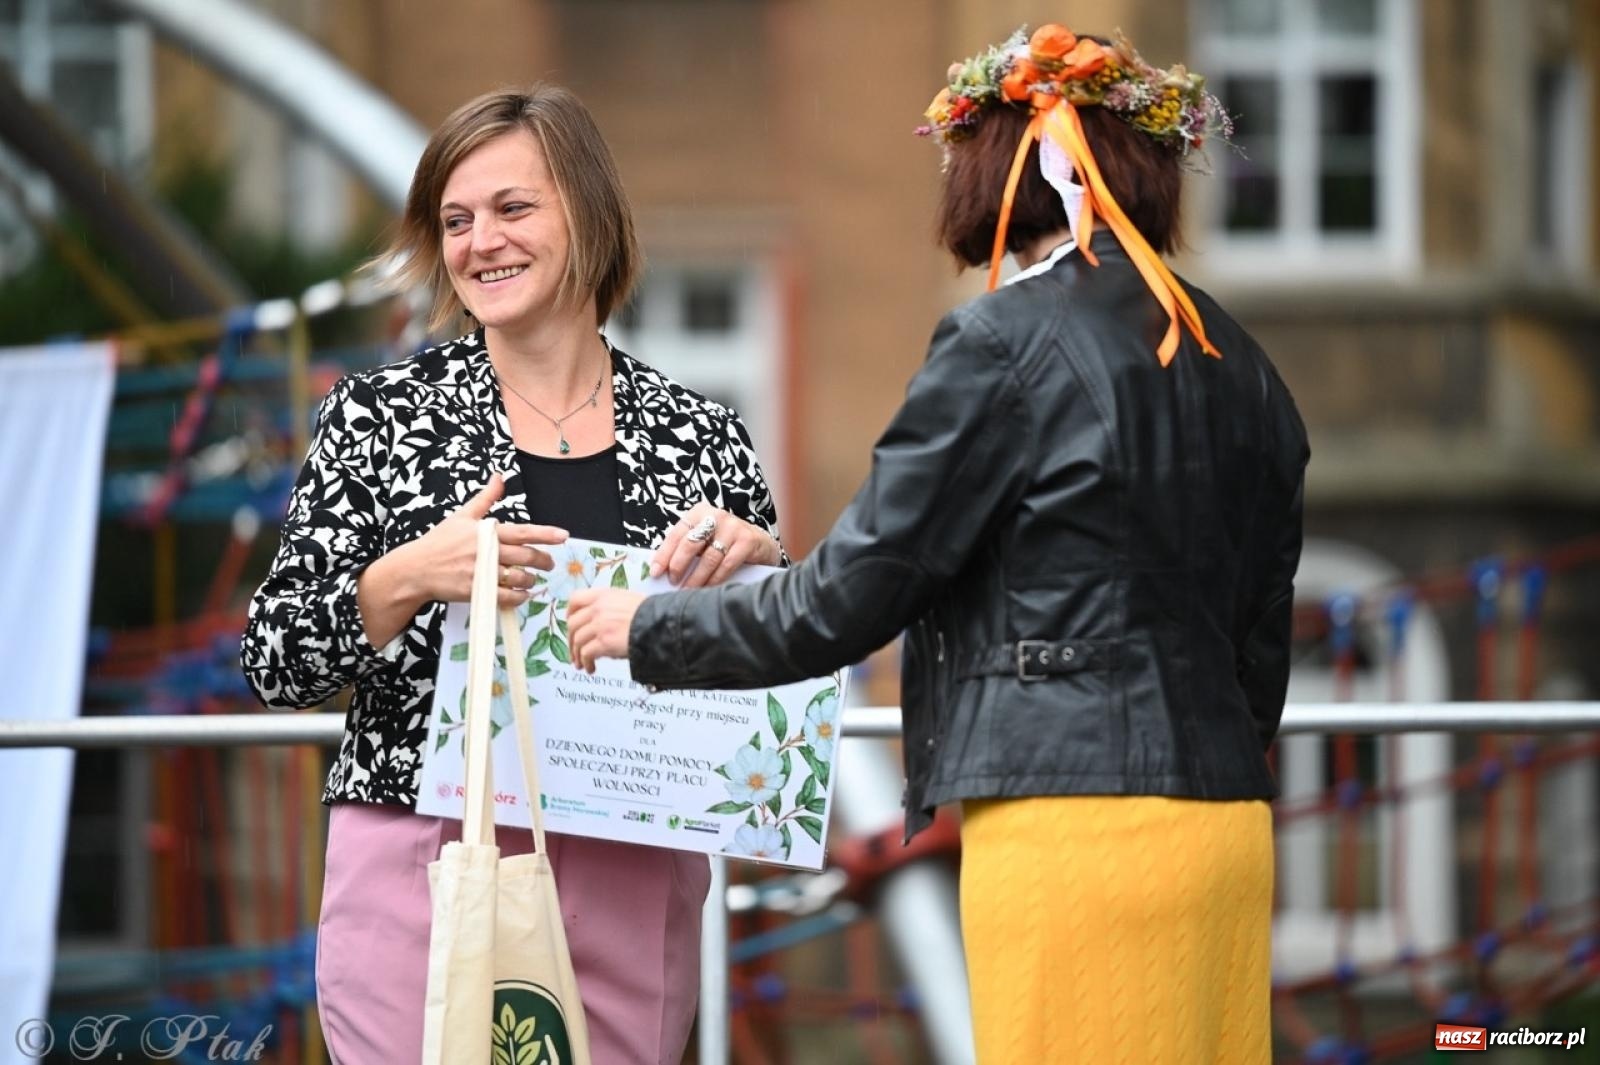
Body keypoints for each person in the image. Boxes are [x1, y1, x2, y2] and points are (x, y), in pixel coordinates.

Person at [567, 24, 1308, 1065]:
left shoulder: (1000, 343)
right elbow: (1254, 655)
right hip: (1224, 832)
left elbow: (849, 601)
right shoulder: (1243, 361)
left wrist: (653, 628)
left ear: (1000, 167)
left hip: (1069, 832)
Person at [241, 84, 786, 1064]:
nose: (479, 241)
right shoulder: (380, 415)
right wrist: (408, 574)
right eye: (455, 220)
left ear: (587, 213)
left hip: (634, 860)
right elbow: (275, 663)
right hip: (422, 854)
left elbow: (775, 672)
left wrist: (767, 576)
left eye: (512, 208)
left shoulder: (704, 434)